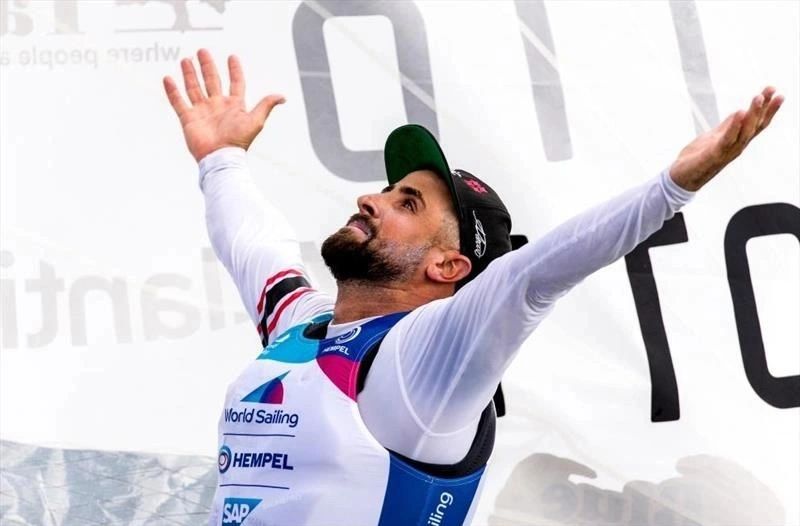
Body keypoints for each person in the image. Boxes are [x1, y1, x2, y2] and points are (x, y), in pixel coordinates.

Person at [163, 49, 783, 526]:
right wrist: (221, 160)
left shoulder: (420, 369)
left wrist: (670, 189)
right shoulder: (302, 326)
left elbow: (532, 278)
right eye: (387, 189)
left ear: (448, 267)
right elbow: (251, 243)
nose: (370, 199)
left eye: (406, 202)